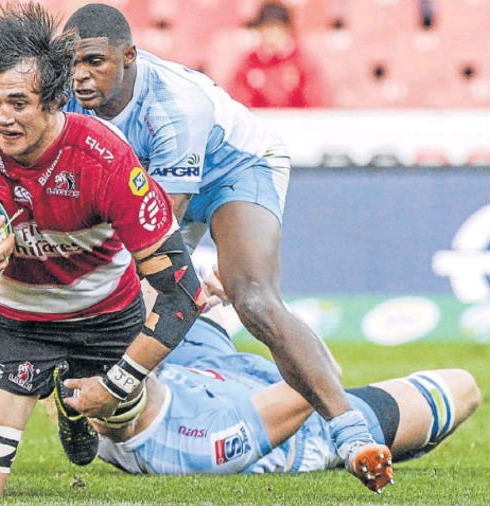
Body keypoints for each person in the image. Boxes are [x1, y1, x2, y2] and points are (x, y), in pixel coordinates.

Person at [62, 3, 390, 490]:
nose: (80, 77)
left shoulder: (174, 106)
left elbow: (159, 230)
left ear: (129, 55)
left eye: (95, 62)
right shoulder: (68, 99)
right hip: (150, 186)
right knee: (72, 286)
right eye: (72, 64)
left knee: (251, 295)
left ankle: (350, 432)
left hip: (235, 171)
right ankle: (50, 411)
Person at [0, 3, 204, 498]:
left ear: (55, 100)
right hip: (16, 327)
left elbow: (183, 290)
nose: (2, 118)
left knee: (123, 428)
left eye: (18, 102)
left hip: (107, 321)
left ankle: (86, 400)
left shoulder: (105, 159)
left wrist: (119, 383)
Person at [87, 316, 480, 492]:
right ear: (135, 391)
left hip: (211, 370)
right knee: (461, 387)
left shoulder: (125, 402)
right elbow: (320, 377)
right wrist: (262, 309)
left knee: (173, 289)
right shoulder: (201, 444)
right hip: (308, 428)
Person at [228, 1, 331, 108]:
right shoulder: (249, 63)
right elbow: (237, 101)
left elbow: (316, 102)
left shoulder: (303, 63)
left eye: (277, 30)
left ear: (288, 31)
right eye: (267, 29)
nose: (272, 36)